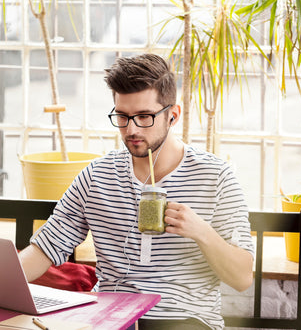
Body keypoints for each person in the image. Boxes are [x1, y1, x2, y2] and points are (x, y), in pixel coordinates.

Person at [19, 53, 254, 330]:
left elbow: (241, 278)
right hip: (110, 319)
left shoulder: (216, 177)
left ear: (173, 115)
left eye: (144, 117)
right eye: (122, 116)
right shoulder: (97, 176)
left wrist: (201, 231)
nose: (131, 129)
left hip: (186, 321)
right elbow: (46, 248)